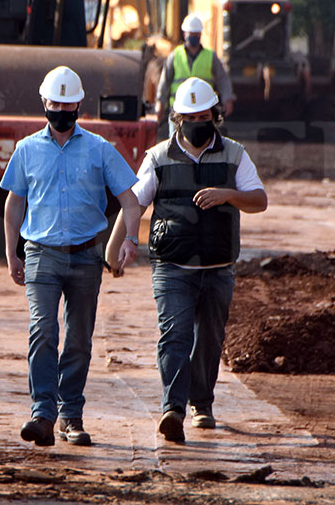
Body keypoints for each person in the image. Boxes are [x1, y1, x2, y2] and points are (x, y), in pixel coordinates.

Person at [106, 77, 267, 444]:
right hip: (172, 266)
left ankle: (202, 404)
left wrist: (227, 194)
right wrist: (118, 247)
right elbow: (134, 204)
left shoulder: (235, 155)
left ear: (215, 116)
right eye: (190, 117)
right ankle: (173, 409)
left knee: (209, 338)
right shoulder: (158, 157)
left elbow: (260, 200)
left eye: (204, 116)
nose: (197, 122)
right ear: (177, 118)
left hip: (218, 266)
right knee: (175, 335)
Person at [0, 65, 142, 447]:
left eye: (68, 104)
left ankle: (70, 416)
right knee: (43, 331)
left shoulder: (100, 149)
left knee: (79, 340)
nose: (61, 110)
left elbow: (130, 200)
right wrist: (11, 253)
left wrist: (131, 240)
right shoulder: (27, 150)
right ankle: (42, 414)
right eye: (55, 104)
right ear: (43, 102)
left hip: (86, 258)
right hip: (41, 256)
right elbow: (14, 203)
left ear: (79, 104)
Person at [155, 13, 235, 137]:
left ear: (200, 35)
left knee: (204, 139)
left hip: (204, 108)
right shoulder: (175, 55)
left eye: (196, 34)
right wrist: (160, 102)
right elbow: (165, 81)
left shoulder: (210, 56)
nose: (194, 37)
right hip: (179, 108)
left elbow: (222, 79)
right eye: (191, 34)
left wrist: (227, 99)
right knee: (176, 140)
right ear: (185, 34)